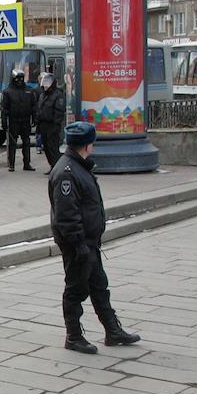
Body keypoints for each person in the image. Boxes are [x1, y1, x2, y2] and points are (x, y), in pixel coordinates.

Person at [49, 122, 142, 354]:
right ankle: (73, 337)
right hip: (78, 244)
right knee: (75, 289)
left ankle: (113, 330)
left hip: (88, 242)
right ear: (88, 145)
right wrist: (79, 243)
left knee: (99, 286)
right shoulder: (67, 172)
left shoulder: (78, 166)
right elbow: (66, 215)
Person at [2, 69, 37, 172]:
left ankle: (27, 163)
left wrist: (34, 118)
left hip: (26, 120)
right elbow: (5, 108)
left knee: (26, 142)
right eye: (18, 78)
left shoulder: (29, 90)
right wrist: (4, 121)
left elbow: (34, 106)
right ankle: (11, 164)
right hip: (14, 120)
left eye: (21, 78)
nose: (20, 81)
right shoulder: (8, 91)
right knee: (13, 143)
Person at [35, 73, 67, 171]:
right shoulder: (42, 95)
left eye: (47, 83)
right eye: (44, 83)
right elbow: (39, 109)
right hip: (43, 125)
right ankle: (52, 166)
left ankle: (57, 167)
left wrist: (55, 125)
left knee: (53, 147)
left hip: (52, 125)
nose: (45, 85)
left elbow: (59, 111)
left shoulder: (58, 95)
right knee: (46, 147)